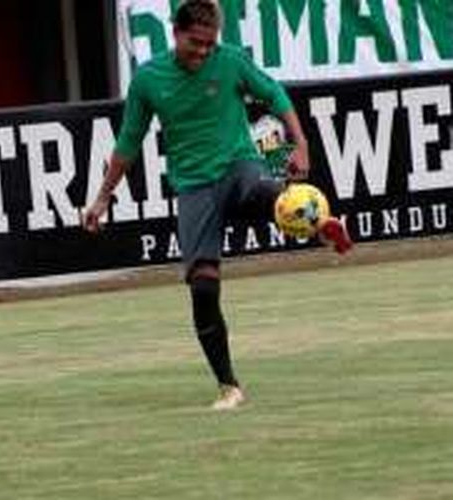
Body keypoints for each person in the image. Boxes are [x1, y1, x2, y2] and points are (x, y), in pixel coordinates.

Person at [83, 0, 352, 411]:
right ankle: (229, 386)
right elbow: (128, 142)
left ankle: (319, 224)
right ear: (176, 33)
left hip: (238, 165)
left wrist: (300, 143)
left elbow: (274, 93)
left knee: (272, 195)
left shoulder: (231, 62)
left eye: (211, 44)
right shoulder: (148, 80)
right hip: (194, 187)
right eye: (196, 43)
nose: (205, 52)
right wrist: (103, 196)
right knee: (203, 286)